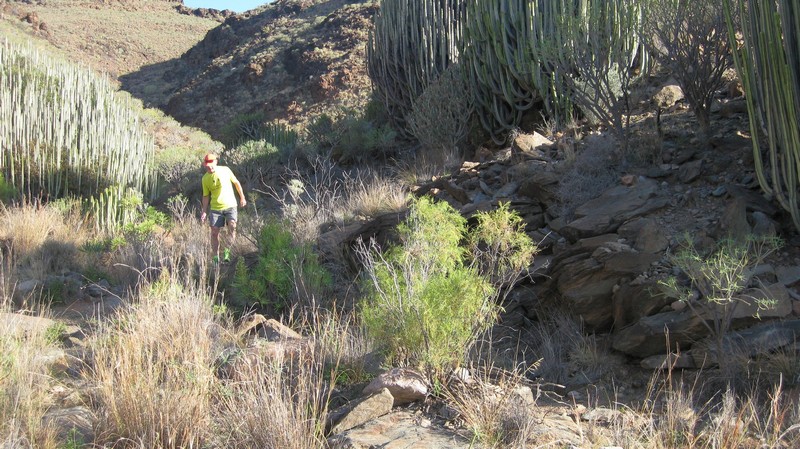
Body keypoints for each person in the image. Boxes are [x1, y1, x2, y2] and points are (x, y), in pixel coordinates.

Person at [200, 153, 246, 264]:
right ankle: (215, 257)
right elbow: (206, 196)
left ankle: (227, 252)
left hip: (230, 205)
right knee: (214, 232)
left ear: (216, 162)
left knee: (232, 226)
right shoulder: (205, 179)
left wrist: (242, 197)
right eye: (207, 165)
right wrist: (204, 211)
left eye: (211, 164)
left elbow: (236, 183)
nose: (209, 167)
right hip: (216, 208)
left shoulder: (225, 170)